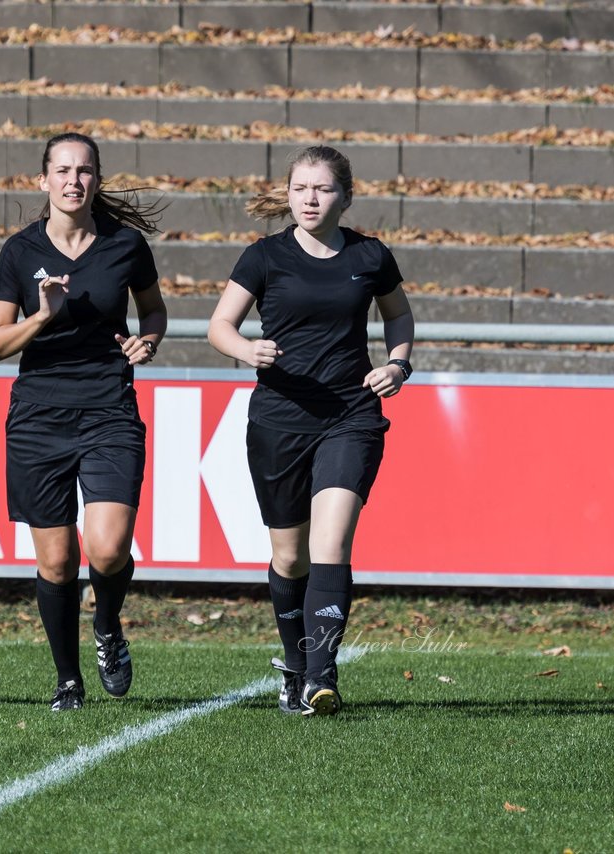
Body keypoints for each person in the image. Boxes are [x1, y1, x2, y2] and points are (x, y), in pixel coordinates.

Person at [207, 145, 414, 718]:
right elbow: (219, 325)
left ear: (344, 196)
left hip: (351, 415)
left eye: (322, 189)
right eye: (301, 188)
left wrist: (397, 364)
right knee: (289, 556)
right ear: (288, 193)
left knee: (332, 542)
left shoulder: (370, 256)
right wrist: (247, 348)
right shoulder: (264, 257)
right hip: (279, 419)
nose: (310, 198)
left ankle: (322, 678)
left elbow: (398, 313)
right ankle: (295, 666)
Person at [0, 132, 168, 711]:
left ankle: (108, 625)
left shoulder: (125, 245)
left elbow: (154, 309)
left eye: (84, 170)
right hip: (39, 416)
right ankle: (68, 679)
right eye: (61, 170)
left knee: (108, 550)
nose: (73, 180)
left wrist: (149, 340)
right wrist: (43, 316)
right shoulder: (19, 252)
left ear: (97, 179)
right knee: (57, 561)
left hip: (110, 408)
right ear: (43, 181)